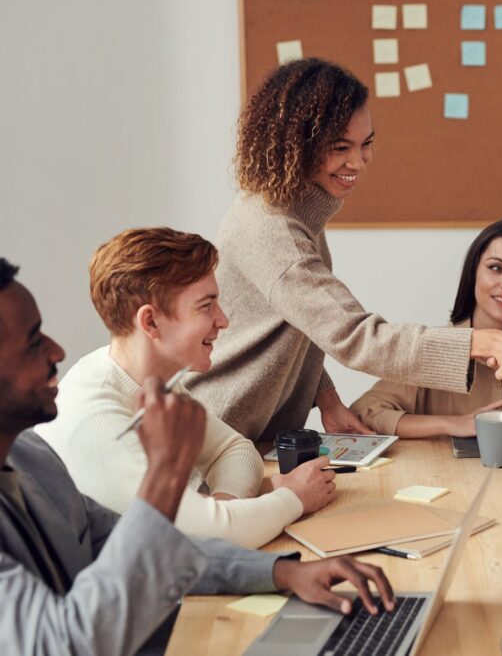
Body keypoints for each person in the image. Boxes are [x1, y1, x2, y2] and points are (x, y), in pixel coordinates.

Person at [0, 258, 394, 656]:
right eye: (34, 341)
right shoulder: (94, 413)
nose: (57, 350)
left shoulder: (32, 458)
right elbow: (65, 646)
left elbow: (157, 548)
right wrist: (166, 474)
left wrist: (283, 572)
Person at [185, 58, 502, 442]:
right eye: (340, 147)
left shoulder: (295, 212)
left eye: (366, 144)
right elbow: (356, 336)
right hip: (216, 435)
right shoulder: (273, 229)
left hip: (250, 438)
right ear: (297, 145)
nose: (358, 162)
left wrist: (327, 398)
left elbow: (303, 323)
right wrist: (478, 342)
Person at [35, 229, 335, 548]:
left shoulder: (150, 379)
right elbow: (210, 539)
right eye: (206, 307)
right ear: (150, 323)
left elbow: (234, 450)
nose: (223, 321)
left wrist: (223, 508)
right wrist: (292, 498)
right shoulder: (96, 417)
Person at [351, 219, 502, 441]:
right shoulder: (438, 347)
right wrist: (453, 423)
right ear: (473, 273)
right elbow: (366, 412)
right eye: (496, 268)